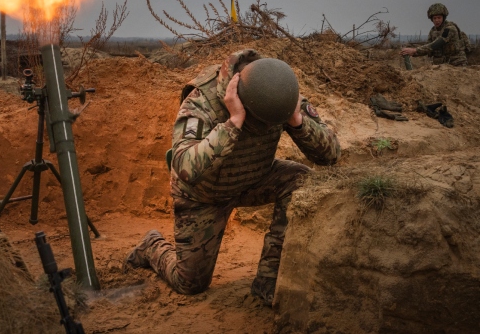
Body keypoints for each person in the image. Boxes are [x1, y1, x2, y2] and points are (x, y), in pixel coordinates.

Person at [125, 49, 341, 306]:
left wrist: (296, 120)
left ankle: (268, 280)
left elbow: (331, 155)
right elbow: (183, 168)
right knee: (190, 284)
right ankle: (151, 245)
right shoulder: (201, 102)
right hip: (204, 195)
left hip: (253, 179)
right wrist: (234, 122)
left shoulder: (276, 93)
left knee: (300, 180)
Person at [400, 3, 468, 66]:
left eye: (439, 18)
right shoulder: (433, 31)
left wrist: (415, 50)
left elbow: (438, 43)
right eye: (434, 18)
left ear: (443, 18)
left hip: (456, 63)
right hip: (442, 65)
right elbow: (427, 46)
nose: (437, 20)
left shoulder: (450, 29)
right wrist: (411, 51)